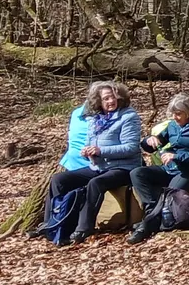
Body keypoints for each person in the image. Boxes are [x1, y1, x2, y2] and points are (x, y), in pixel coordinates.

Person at [43, 81, 144, 244]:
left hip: (123, 168)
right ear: (99, 102)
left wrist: (100, 151)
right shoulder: (95, 119)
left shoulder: (128, 116)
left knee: (96, 183)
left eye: (113, 97)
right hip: (97, 166)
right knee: (59, 180)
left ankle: (83, 228)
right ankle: (51, 224)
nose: (110, 101)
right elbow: (90, 143)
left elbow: (131, 147)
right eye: (106, 99)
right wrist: (86, 152)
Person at [127, 94, 189, 245]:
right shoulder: (173, 126)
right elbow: (154, 145)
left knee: (170, 191)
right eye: (173, 113)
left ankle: (145, 227)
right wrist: (149, 140)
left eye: (179, 114)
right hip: (169, 169)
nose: (175, 117)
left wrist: (177, 156)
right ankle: (152, 213)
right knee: (138, 173)